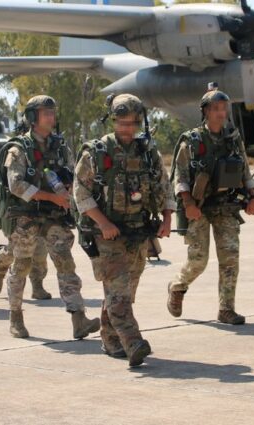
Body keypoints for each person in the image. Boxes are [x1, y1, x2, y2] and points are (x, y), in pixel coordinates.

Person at [74, 94, 174, 366]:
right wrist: (103, 223)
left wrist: (167, 218)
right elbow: (80, 193)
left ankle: (110, 339)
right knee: (118, 293)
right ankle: (133, 342)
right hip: (106, 234)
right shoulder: (97, 153)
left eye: (133, 123)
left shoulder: (148, 153)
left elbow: (164, 187)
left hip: (138, 233)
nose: (127, 128)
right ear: (113, 120)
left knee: (123, 293)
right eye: (122, 122)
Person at [0, 95, 98, 339]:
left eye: (53, 112)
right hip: (26, 216)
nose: (51, 117)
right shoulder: (19, 149)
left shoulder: (60, 146)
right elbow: (15, 185)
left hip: (54, 217)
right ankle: (15, 317)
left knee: (66, 263)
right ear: (33, 117)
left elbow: (74, 174)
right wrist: (50, 197)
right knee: (22, 266)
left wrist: (70, 187)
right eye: (46, 113)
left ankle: (78, 319)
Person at [166, 86, 254, 325]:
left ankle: (226, 309)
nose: (221, 113)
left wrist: (253, 197)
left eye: (224, 108)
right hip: (198, 206)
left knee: (230, 258)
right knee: (198, 260)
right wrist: (188, 204)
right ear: (206, 112)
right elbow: (180, 177)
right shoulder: (192, 141)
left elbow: (244, 170)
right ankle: (177, 286)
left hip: (226, 205)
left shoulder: (233, 139)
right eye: (216, 108)